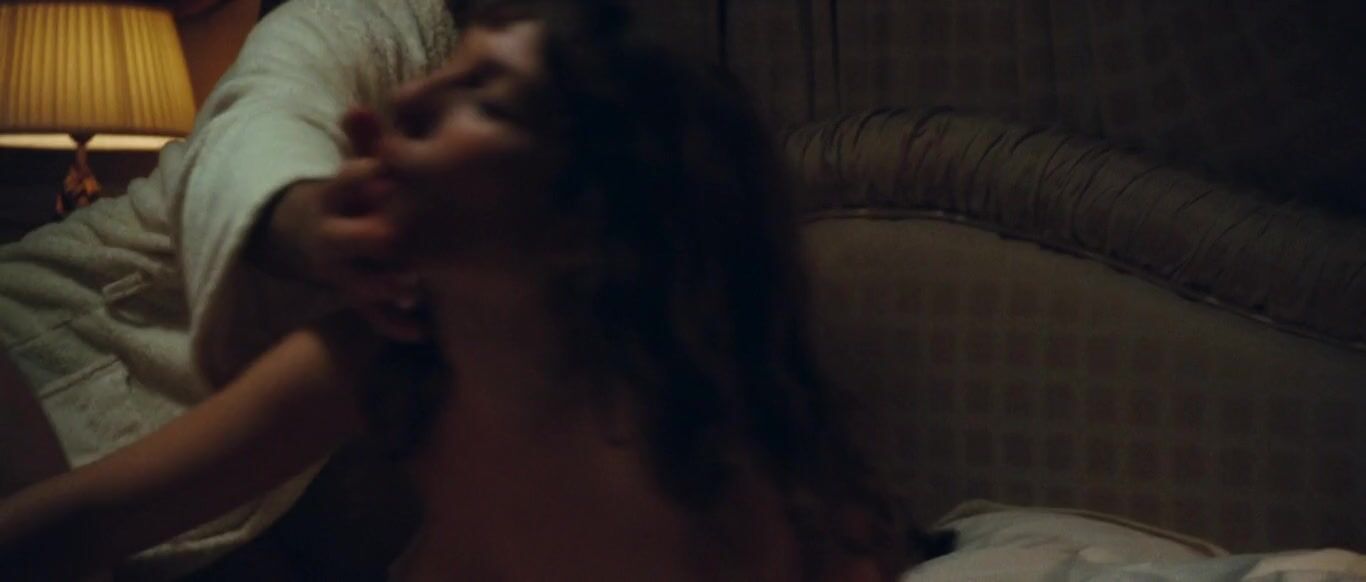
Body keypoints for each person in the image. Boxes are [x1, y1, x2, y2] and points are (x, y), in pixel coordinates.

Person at [2, 0, 933, 579]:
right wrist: (307, 217)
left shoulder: (713, 462)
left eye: (480, 97)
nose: (401, 104)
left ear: (585, 213)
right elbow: (82, 521)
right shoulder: (385, 360)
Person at [0, 0, 458, 576]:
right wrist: (307, 212)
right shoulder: (372, 25)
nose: (423, 93)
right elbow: (263, 116)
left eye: (488, 95)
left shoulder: (406, 341)